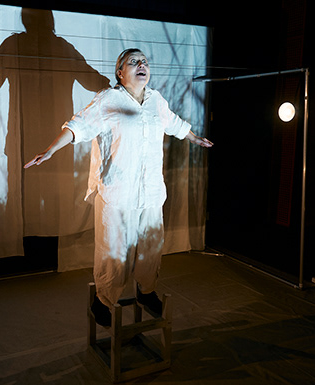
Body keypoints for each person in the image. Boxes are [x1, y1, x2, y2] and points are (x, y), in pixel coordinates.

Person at [25, 48, 213, 326]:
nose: (141, 65)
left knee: (151, 246)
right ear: (120, 72)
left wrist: (195, 138)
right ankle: (102, 301)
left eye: (145, 61)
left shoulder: (156, 100)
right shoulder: (108, 99)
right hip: (118, 192)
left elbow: (174, 124)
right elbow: (78, 125)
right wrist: (50, 150)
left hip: (150, 191)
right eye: (134, 61)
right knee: (114, 251)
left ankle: (146, 291)